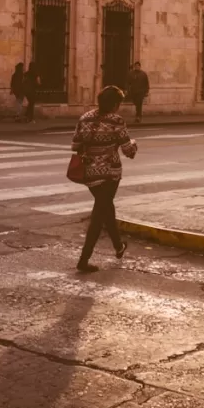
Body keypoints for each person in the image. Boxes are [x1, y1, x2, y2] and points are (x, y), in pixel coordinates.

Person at [72, 85, 137, 273]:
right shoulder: (116, 121)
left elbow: (75, 144)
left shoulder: (85, 118)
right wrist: (133, 144)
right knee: (99, 215)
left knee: (106, 207)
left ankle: (118, 247)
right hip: (109, 174)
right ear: (115, 104)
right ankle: (83, 260)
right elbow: (128, 151)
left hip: (89, 174)